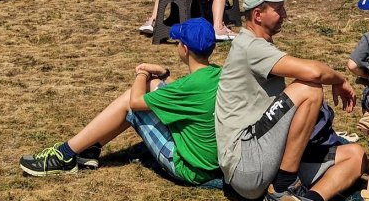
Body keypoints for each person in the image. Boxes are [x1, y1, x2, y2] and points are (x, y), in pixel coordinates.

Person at [215, 0, 365, 201]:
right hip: (247, 163)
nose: (284, 14)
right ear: (257, 15)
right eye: (278, 9)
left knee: (356, 155)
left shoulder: (258, 45)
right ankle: (282, 190)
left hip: (267, 157)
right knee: (310, 89)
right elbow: (314, 72)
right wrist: (340, 80)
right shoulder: (250, 46)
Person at [19, 17, 222, 183]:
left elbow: (135, 103)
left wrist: (141, 74)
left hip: (191, 168)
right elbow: (187, 94)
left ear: (184, 49)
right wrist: (164, 74)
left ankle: (64, 155)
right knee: (154, 87)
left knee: (130, 104)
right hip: (213, 162)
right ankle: (89, 148)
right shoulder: (216, 74)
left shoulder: (186, 87)